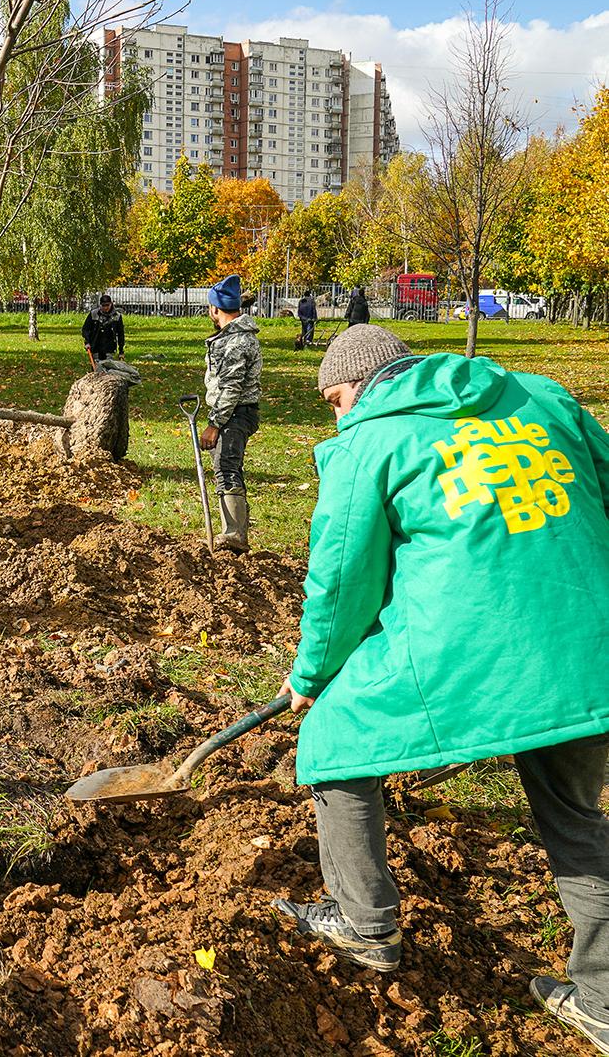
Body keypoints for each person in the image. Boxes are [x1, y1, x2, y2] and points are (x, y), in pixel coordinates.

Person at [272, 325, 609, 1054]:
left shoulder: (371, 444)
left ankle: (364, 925)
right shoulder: (539, 397)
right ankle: (606, 1003)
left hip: (474, 654)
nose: (336, 415)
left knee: (332, 740)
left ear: (364, 383)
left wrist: (311, 679)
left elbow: (340, 583)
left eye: (334, 399)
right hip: (589, 646)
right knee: (575, 820)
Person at [198, 273, 261, 553]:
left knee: (226, 467)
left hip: (235, 412)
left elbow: (232, 388)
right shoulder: (231, 337)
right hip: (230, 412)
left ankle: (234, 535)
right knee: (228, 466)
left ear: (215, 308)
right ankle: (233, 532)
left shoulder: (237, 341)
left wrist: (214, 424)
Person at [81, 293, 125, 368]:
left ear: (111, 304)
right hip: (96, 346)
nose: (105, 307)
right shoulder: (94, 314)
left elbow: (120, 334)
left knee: (109, 368)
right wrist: (87, 342)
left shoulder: (117, 316)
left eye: (107, 305)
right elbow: (85, 329)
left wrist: (121, 351)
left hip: (109, 347)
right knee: (96, 368)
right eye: (103, 305)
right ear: (100, 305)